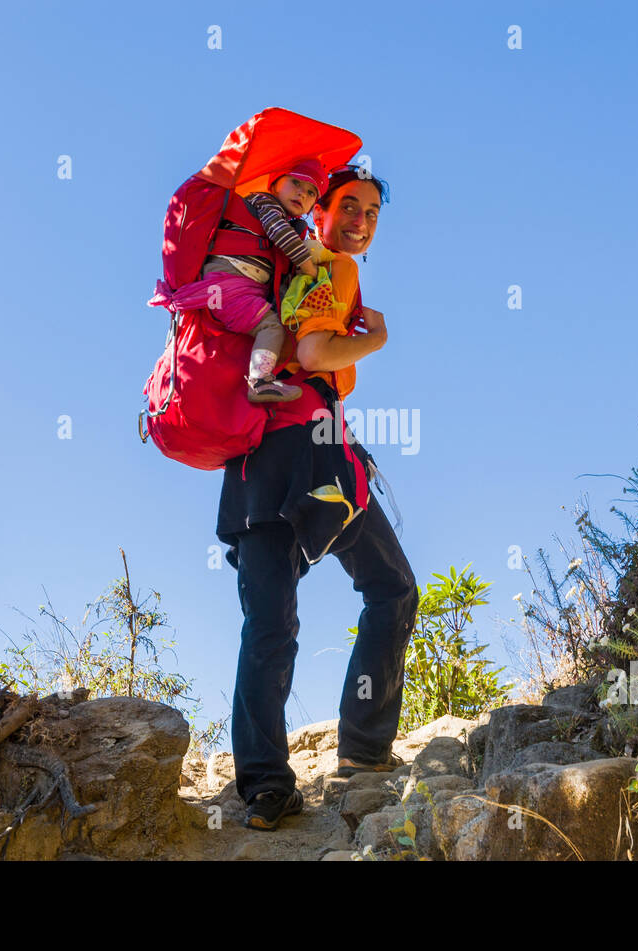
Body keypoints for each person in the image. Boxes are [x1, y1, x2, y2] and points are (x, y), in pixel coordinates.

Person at [216, 166, 417, 831]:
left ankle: (268, 786)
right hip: (314, 454)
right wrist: (376, 337)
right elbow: (312, 347)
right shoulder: (334, 271)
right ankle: (360, 750)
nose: (362, 221)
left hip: (255, 464)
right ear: (318, 214)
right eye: (349, 206)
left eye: (373, 214)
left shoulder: (288, 267)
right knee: (389, 589)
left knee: (270, 624)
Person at [196, 158, 326, 403]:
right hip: (228, 284)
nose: (302, 193)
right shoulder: (264, 202)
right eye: (295, 182)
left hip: (235, 287)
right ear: (275, 184)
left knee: (274, 326)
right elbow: (279, 232)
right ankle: (259, 382)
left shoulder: (291, 223)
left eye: (311, 193)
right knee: (271, 327)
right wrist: (308, 267)